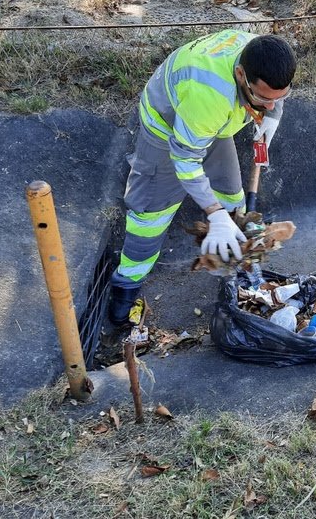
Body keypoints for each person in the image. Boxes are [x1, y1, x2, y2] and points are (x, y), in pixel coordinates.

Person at [108, 29, 297, 327]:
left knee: (232, 198)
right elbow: (185, 160)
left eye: (280, 97)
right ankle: (126, 284)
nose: (271, 104)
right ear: (240, 74)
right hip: (167, 127)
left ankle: (233, 263)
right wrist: (214, 214)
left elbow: (273, 93)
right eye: (262, 98)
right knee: (151, 216)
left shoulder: (263, 54)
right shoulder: (208, 96)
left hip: (211, 126)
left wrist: (270, 117)